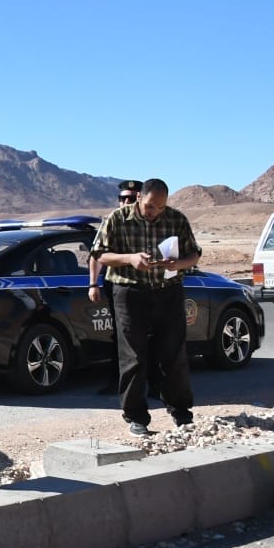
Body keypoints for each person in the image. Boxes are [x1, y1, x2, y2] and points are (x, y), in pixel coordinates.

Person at [89, 178, 201, 437]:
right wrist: (129, 258)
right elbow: (99, 254)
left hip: (168, 291)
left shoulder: (176, 219)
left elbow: (194, 253)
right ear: (139, 197)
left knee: (174, 353)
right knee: (133, 356)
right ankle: (136, 416)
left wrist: (179, 264)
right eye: (151, 206)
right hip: (130, 292)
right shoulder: (117, 219)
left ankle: (181, 413)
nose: (155, 212)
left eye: (161, 207)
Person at [88, 180, 142, 396]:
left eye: (131, 198)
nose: (125, 202)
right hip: (117, 284)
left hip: (147, 285)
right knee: (121, 334)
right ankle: (119, 382)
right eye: (122, 198)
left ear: (140, 198)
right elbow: (96, 255)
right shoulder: (111, 221)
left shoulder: (151, 221)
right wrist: (93, 283)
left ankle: (155, 384)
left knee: (151, 334)